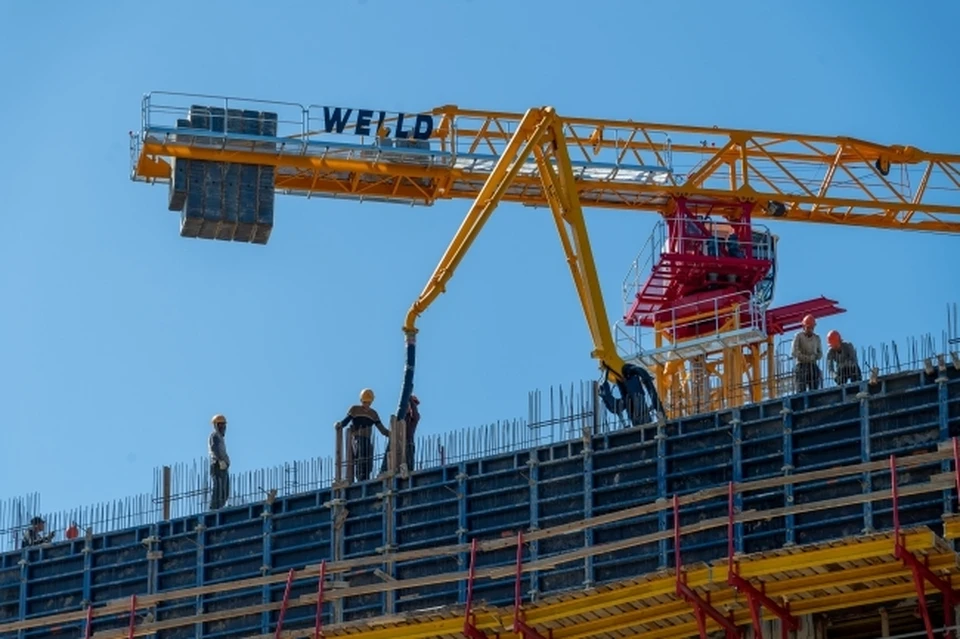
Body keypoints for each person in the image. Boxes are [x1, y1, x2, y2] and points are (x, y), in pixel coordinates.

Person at [339, 388, 389, 482]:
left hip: (367, 439)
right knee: (360, 455)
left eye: (369, 402)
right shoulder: (355, 409)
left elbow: (381, 428)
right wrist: (339, 425)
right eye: (365, 402)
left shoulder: (373, 414)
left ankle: (366, 477)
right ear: (361, 400)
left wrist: (390, 433)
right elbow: (346, 421)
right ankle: (360, 477)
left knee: (368, 456)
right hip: (357, 438)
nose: (367, 404)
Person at [380, 393, 420, 474]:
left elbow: (415, 415)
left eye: (414, 405)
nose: (412, 407)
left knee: (407, 464)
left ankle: (407, 471)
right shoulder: (400, 417)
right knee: (392, 452)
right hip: (397, 443)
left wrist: (410, 400)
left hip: (408, 443)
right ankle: (384, 471)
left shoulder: (413, 418)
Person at [791, 314, 823, 392]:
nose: (810, 330)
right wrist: (805, 358)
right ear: (804, 327)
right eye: (808, 327)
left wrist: (814, 357)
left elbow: (820, 353)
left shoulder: (817, 338)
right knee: (801, 388)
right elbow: (794, 352)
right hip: (801, 366)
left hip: (812, 365)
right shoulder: (798, 336)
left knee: (814, 386)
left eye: (812, 328)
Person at [209, 414, 231, 510]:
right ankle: (214, 508)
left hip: (223, 466)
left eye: (223, 425)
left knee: (225, 491)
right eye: (220, 425)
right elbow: (214, 449)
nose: (222, 427)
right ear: (216, 425)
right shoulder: (214, 436)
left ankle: (220, 507)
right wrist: (220, 460)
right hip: (217, 465)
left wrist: (227, 461)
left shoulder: (221, 438)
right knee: (218, 488)